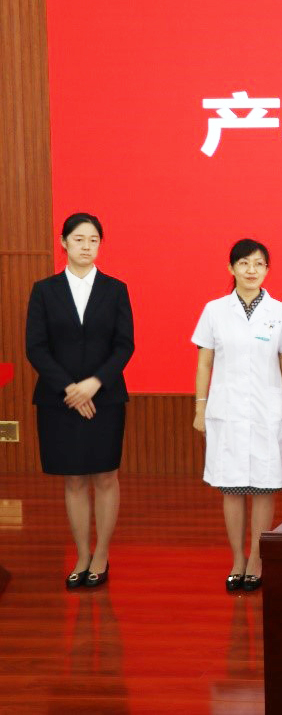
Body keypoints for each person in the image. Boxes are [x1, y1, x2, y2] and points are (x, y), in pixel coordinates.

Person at [25, 212, 134, 588]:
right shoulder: (44, 290)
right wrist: (71, 389)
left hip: (106, 398)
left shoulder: (116, 289)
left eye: (93, 240)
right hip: (60, 400)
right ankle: (82, 553)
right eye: (79, 239)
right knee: (72, 478)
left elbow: (124, 345)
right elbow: (36, 347)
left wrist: (94, 384)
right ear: (63, 242)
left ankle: (101, 553)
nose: (86, 247)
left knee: (105, 476)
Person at [191, 239, 282, 592]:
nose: (251, 270)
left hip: (268, 411)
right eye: (244, 263)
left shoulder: (280, 312)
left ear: (267, 269)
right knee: (232, 487)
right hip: (227, 410)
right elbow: (204, 363)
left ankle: (257, 559)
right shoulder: (214, 310)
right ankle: (237, 558)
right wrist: (200, 408)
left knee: (265, 487)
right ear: (231, 268)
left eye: (259, 264)